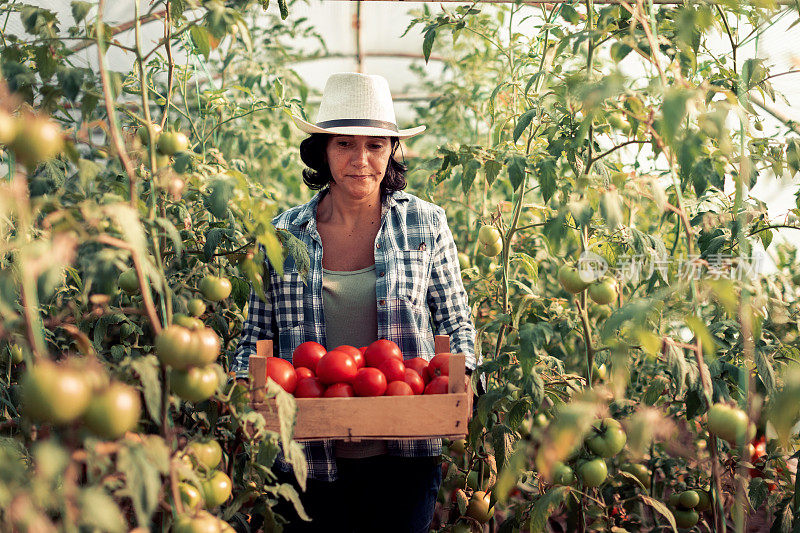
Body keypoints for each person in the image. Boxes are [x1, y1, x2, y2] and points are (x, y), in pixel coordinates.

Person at [231, 72, 476, 532]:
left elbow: (456, 323)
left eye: (376, 146)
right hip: (304, 462)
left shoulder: (425, 224)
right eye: (345, 144)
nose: (361, 160)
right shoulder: (283, 235)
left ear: (391, 152)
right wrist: (240, 388)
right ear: (322, 152)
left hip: (405, 458)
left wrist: (466, 380)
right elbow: (256, 338)